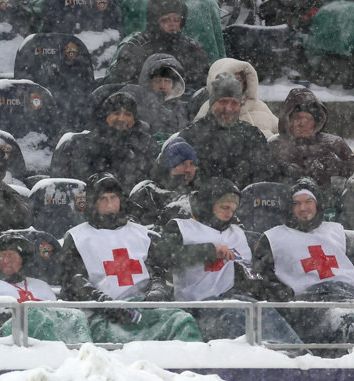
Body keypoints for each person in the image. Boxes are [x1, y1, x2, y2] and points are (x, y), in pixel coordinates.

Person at [152, 178, 303, 344]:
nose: (229, 214)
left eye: (233, 209)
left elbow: (250, 272)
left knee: (260, 310)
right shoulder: (181, 228)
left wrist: (271, 289)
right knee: (236, 313)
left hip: (229, 299)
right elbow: (163, 256)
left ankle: (295, 353)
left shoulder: (238, 233)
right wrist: (209, 251)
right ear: (209, 203)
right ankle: (275, 351)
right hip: (196, 306)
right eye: (224, 207)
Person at [57, 172, 202, 342]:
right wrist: (106, 305)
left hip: (145, 309)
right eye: (103, 199)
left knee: (182, 321)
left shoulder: (142, 234)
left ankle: (187, 367)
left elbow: (158, 271)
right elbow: (74, 282)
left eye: (114, 197)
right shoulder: (77, 238)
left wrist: (157, 290)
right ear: (92, 203)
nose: (110, 204)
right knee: (120, 339)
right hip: (103, 316)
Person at [253, 178, 354, 347]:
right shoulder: (273, 238)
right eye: (296, 203)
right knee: (348, 325)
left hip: (349, 294)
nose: (303, 208)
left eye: (309, 202)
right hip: (310, 302)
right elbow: (261, 276)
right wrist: (280, 292)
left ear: (317, 204)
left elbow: (350, 266)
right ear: (289, 206)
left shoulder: (335, 231)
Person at [0, 231, 92, 341]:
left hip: (47, 342)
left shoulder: (41, 286)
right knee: (33, 314)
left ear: (23, 259)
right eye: (0, 256)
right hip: (1, 343)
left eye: (10, 255)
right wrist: (15, 315)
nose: (5, 261)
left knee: (76, 316)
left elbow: (59, 319)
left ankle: (82, 357)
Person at [177, 72, 277, 188]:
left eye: (234, 102)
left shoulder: (252, 135)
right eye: (223, 102)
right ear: (212, 103)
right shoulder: (191, 136)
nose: (228, 108)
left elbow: (265, 176)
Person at [50, 89, 160, 188]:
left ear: (134, 119)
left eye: (128, 114)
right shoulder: (87, 143)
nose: (122, 118)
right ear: (106, 116)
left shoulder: (146, 143)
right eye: (116, 113)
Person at [106, 0, 210, 88]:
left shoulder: (191, 48)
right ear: (154, 21)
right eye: (165, 19)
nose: (172, 23)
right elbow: (119, 82)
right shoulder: (138, 45)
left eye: (176, 19)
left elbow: (202, 82)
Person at [269, 87, 354, 189]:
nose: (302, 123)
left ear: (317, 122)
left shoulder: (334, 143)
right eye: (298, 118)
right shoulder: (275, 145)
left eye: (308, 119)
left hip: (331, 201)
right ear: (288, 121)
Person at [191, 58, 278, 137]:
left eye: (239, 80)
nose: (236, 84)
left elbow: (280, 131)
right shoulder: (207, 109)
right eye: (231, 78)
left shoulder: (259, 106)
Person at [127, 136, 200, 227]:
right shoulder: (146, 192)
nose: (188, 169)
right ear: (167, 167)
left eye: (191, 164)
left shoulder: (201, 192)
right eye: (181, 163)